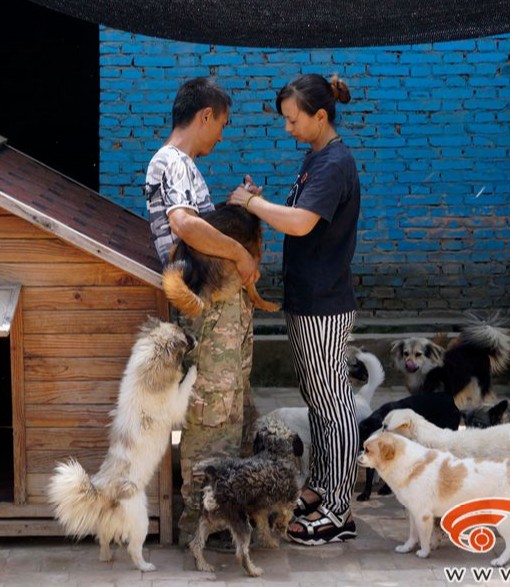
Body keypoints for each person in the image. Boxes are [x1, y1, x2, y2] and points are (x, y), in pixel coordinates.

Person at [228, 73, 361, 545]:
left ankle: (340, 509)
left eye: (292, 120)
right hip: (309, 298)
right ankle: (322, 486)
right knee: (319, 400)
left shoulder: (334, 163)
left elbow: (301, 223)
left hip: (324, 303)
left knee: (333, 406)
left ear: (319, 116)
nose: (287, 129)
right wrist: (261, 202)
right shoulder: (317, 158)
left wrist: (253, 202)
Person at [144, 77, 259, 545]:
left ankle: (223, 518)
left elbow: (201, 221)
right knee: (212, 412)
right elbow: (185, 225)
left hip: (221, 307)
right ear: (205, 115)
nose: (221, 136)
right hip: (208, 311)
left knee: (229, 410)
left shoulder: (185, 166)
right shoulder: (168, 161)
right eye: (222, 125)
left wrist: (234, 207)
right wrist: (241, 253)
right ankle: (201, 520)